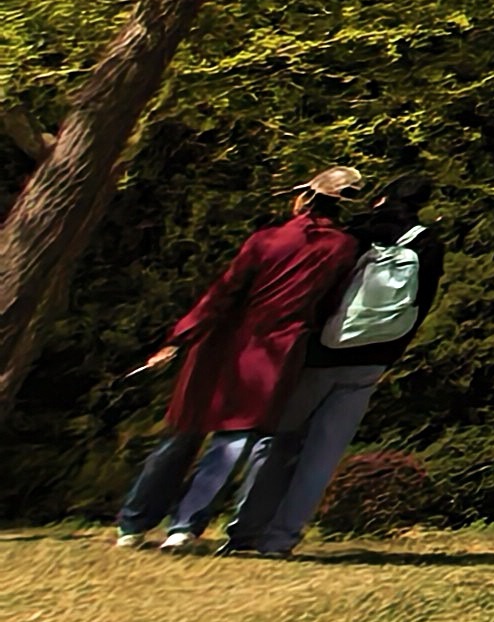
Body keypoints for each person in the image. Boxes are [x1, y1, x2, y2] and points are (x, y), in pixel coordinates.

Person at [107, 169, 362, 550]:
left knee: (183, 434)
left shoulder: (267, 240)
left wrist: (180, 337)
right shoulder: (342, 248)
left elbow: (222, 293)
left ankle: (134, 522)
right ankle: (184, 526)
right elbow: (329, 302)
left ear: (306, 198)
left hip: (223, 343)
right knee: (232, 443)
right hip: (277, 349)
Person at [225, 173, 437, 562]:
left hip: (323, 352)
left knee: (280, 442)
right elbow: (419, 306)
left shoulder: (353, 234)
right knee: (323, 454)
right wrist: (391, 354)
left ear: (381, 197)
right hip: (372, 358)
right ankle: (282, 539)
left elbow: (320, 289)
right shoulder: (426, 242)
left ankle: (246, 531)